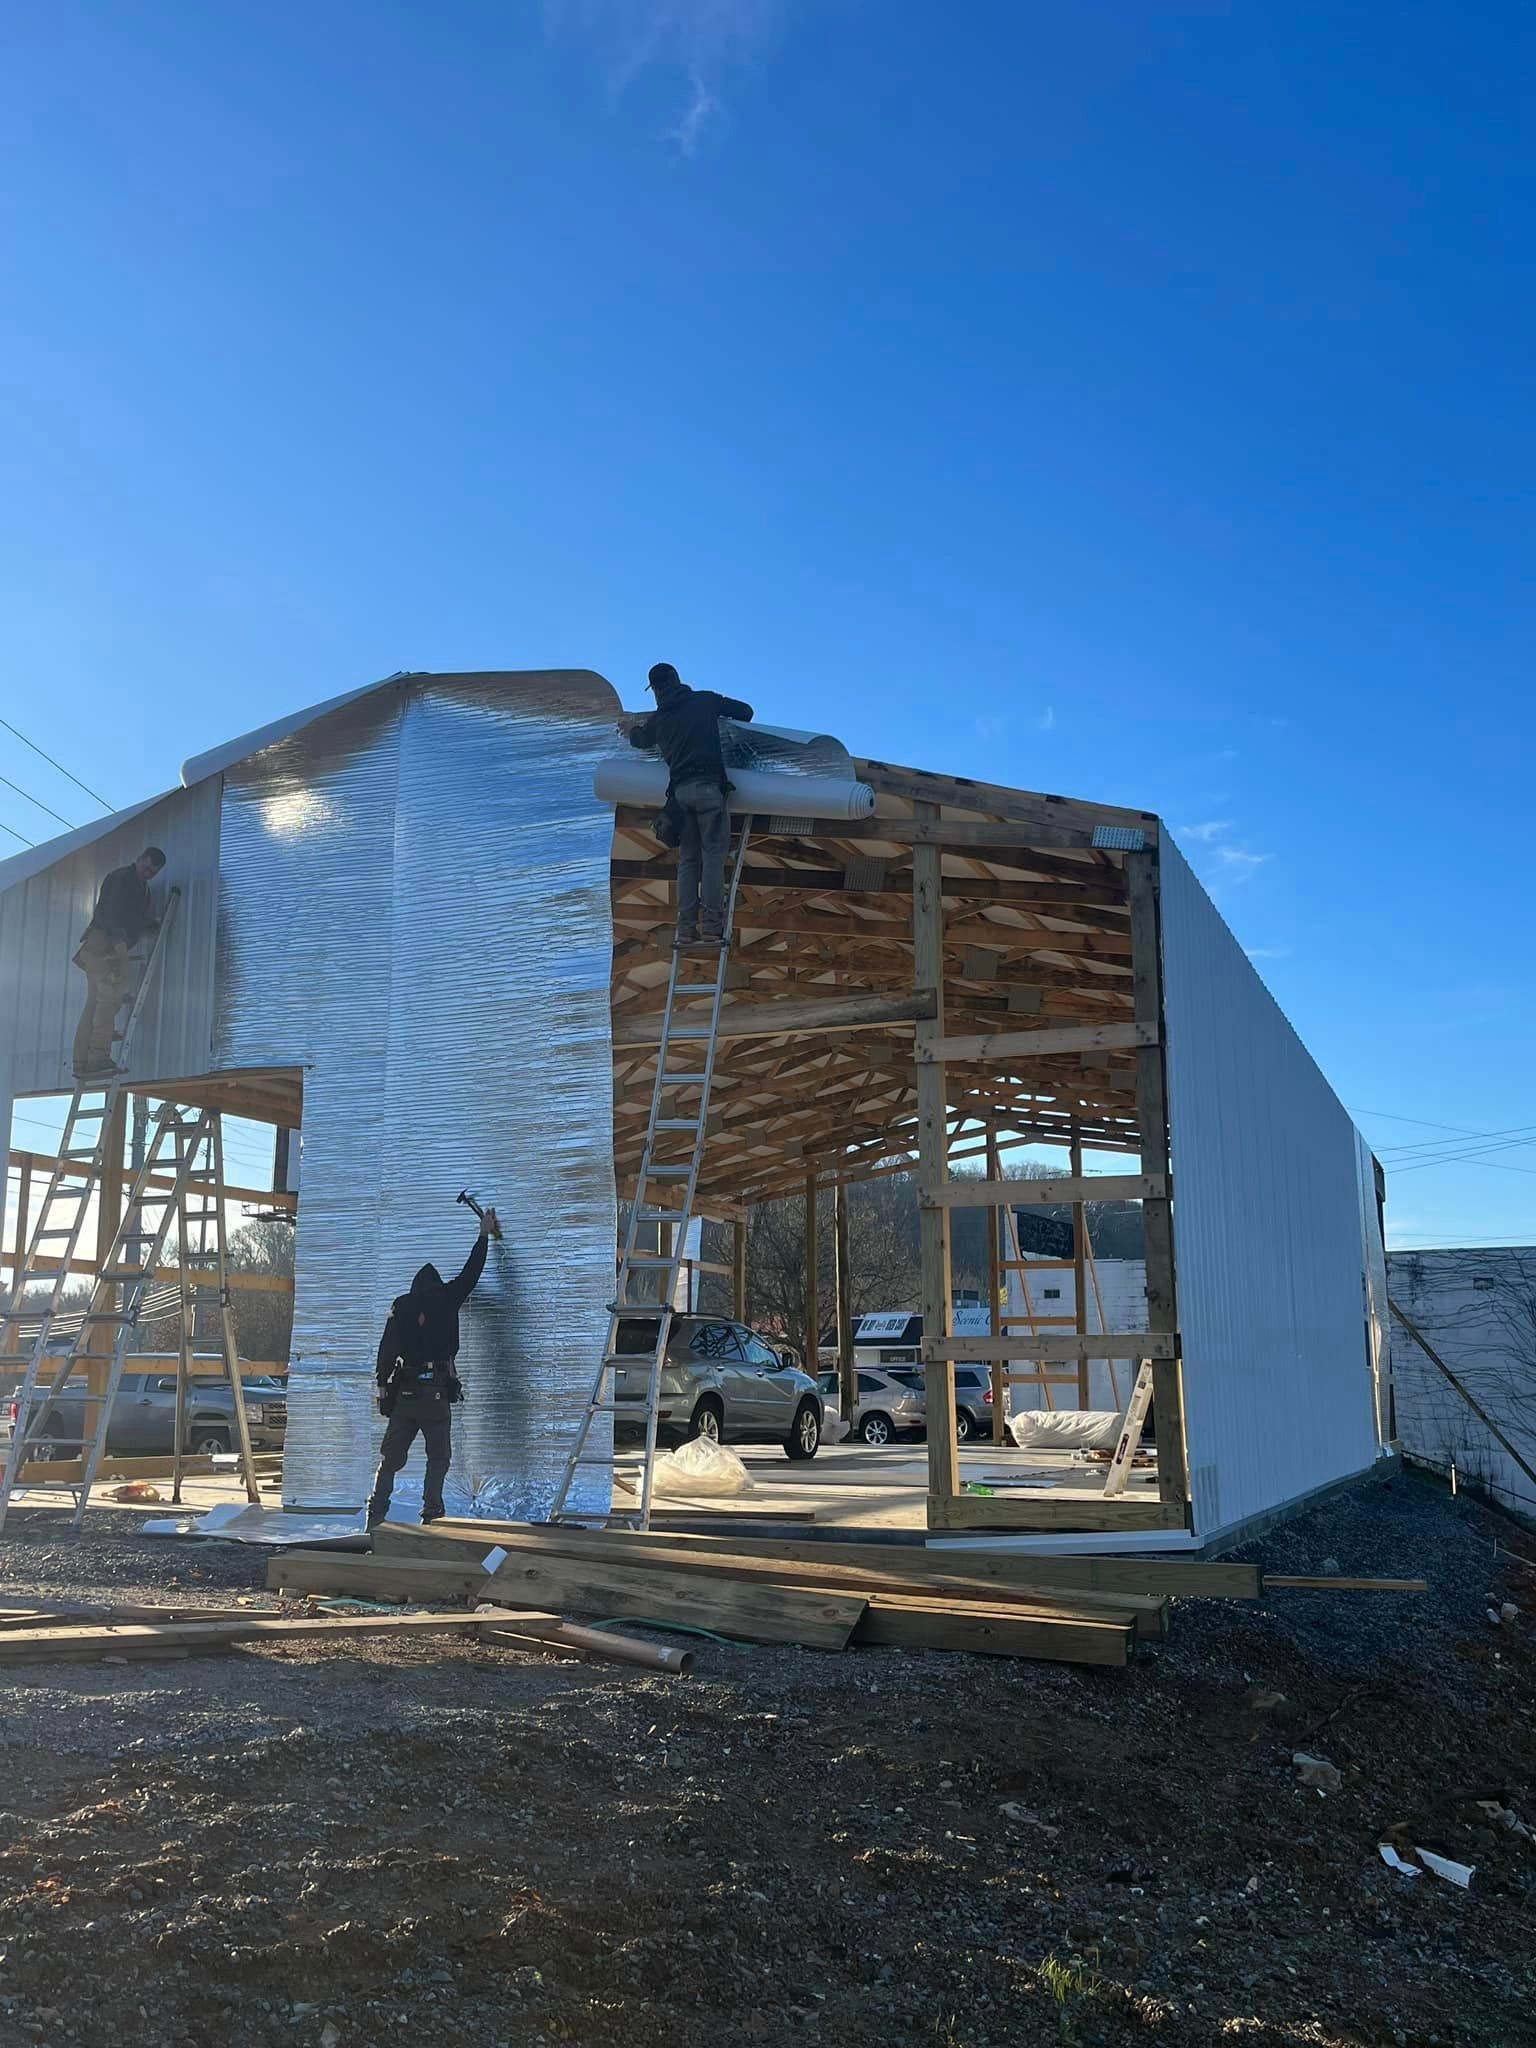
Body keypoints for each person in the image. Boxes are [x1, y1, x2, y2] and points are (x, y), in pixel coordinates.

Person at [367, 1206, 497, 1529]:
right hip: (435, 1395)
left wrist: (382, 1385)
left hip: (406, 1396)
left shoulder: (402, 1305)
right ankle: (431, 1515)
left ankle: (376, 1514)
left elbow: (387, 1351)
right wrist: (483, 1235)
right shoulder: (447, 1296)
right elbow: (471, 1274)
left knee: (391, 1460)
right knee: (437, 1458)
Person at [626, 661, 753, 947]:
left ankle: (685, 929)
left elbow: (641, 740)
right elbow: (746, 712)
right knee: (712, 858)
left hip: (681, 797)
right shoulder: (704, 701)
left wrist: (630, 729)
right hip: (709, 789)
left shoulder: (660, 720)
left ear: (656, 690)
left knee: (688, 862)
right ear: (677, 679)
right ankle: (711, 927)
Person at [71, 847, 167, 1079]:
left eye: (152, 873)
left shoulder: (142, 889)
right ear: (139, 859)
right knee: (108, 997)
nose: (147, 874)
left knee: (94, 1004)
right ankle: (98, 1057)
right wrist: (119, 943)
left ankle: (80, 1063)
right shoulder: (121, 878)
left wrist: (148, 924)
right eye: (146, 868)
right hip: (102, 945)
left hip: (104, 949)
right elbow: (111, 913)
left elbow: (130, 917)